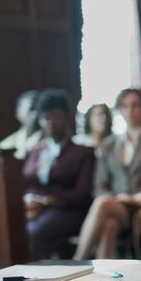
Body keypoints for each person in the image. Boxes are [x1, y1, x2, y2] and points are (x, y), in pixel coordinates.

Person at [73, 88, 141, 259]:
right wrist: (116, 198)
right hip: (118, 205)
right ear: (120, 110)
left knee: (103, 204)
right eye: (125, 106)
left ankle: (78, 260)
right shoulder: (109, 144)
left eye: (135, 105)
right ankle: (105, 280)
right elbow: (100, 185)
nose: (130, 110)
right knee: (109, 222)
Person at [22, 89, 94, 259]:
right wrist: (29, 199)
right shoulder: (36, 151)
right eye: (46, 118)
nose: (51, 122)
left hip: (68, 211)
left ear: (67, 119)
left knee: (32, 232)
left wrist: (50, 200)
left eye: (57, 117)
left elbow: (83, 193)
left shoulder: (82, 152)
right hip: (36, 210)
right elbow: (26, 183)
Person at [0, 90, 41, 160]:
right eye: (31, 109)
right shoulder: (7, 145)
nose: (35, 114)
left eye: (38, 109)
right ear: (18, 113)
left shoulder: (51, 142)